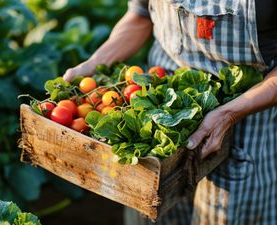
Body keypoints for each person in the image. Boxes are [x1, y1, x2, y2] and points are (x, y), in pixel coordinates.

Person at [63, 0, 277, 224]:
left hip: (247, 115)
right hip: (159, 104)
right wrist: (95, 64)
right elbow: (141, 15)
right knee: (153, 210)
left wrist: (229, 114)